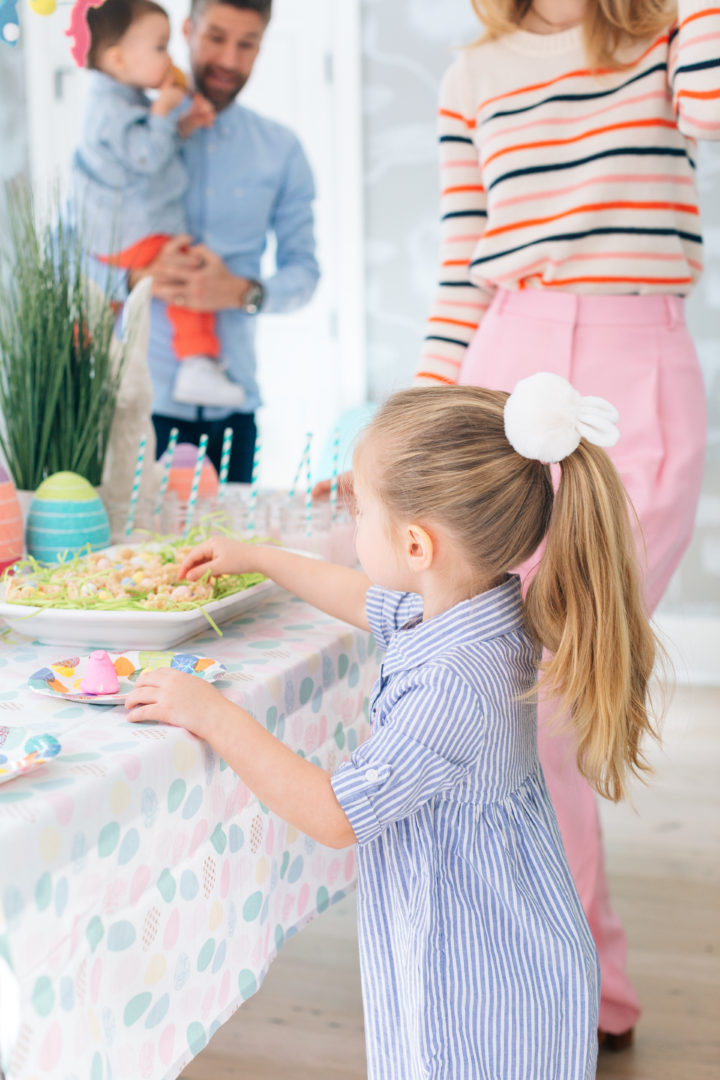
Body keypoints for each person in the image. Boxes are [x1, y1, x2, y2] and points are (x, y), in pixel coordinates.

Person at [126, 375, 660, 1079]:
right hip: (507, 948)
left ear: (416, 545)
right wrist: (259, 558)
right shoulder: (474, 606)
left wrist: (212, 714)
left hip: (482, 988)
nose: (353, 529)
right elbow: (365, 598)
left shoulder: (453, 684)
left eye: (360, 514)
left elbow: (335, 814)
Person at [415, 0, 720, 1047]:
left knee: (559, 690)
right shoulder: (472, 72)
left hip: (641, 363)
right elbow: (463, 264)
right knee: (502, 673)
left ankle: (569, 973)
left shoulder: (672, 29)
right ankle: (554, 973)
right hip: (506, 360)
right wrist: (417, 426)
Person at [126, 0, 320, 481]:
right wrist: (138, 277)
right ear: (187, 30)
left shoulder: (281, 149)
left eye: (246, 44)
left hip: (234, 413)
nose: (230, 61)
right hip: (137, 405)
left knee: (232, 555)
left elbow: (304, 272)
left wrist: (239, 293)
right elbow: (73, 254)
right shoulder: (128, 136)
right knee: (132, 557)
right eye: (216, 38)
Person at [71, 0, 245, 409]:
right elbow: (147, 156)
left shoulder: (122, 101)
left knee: (109, 305)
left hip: (123, 232)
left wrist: (180, 124)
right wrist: (166, 109)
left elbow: (144, 152)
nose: (170, 59)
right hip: (135, 229)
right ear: (117, 58)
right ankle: (197, 362)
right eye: (161, 47)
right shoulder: (112, 108)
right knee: (186, 271)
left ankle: (84, 342)